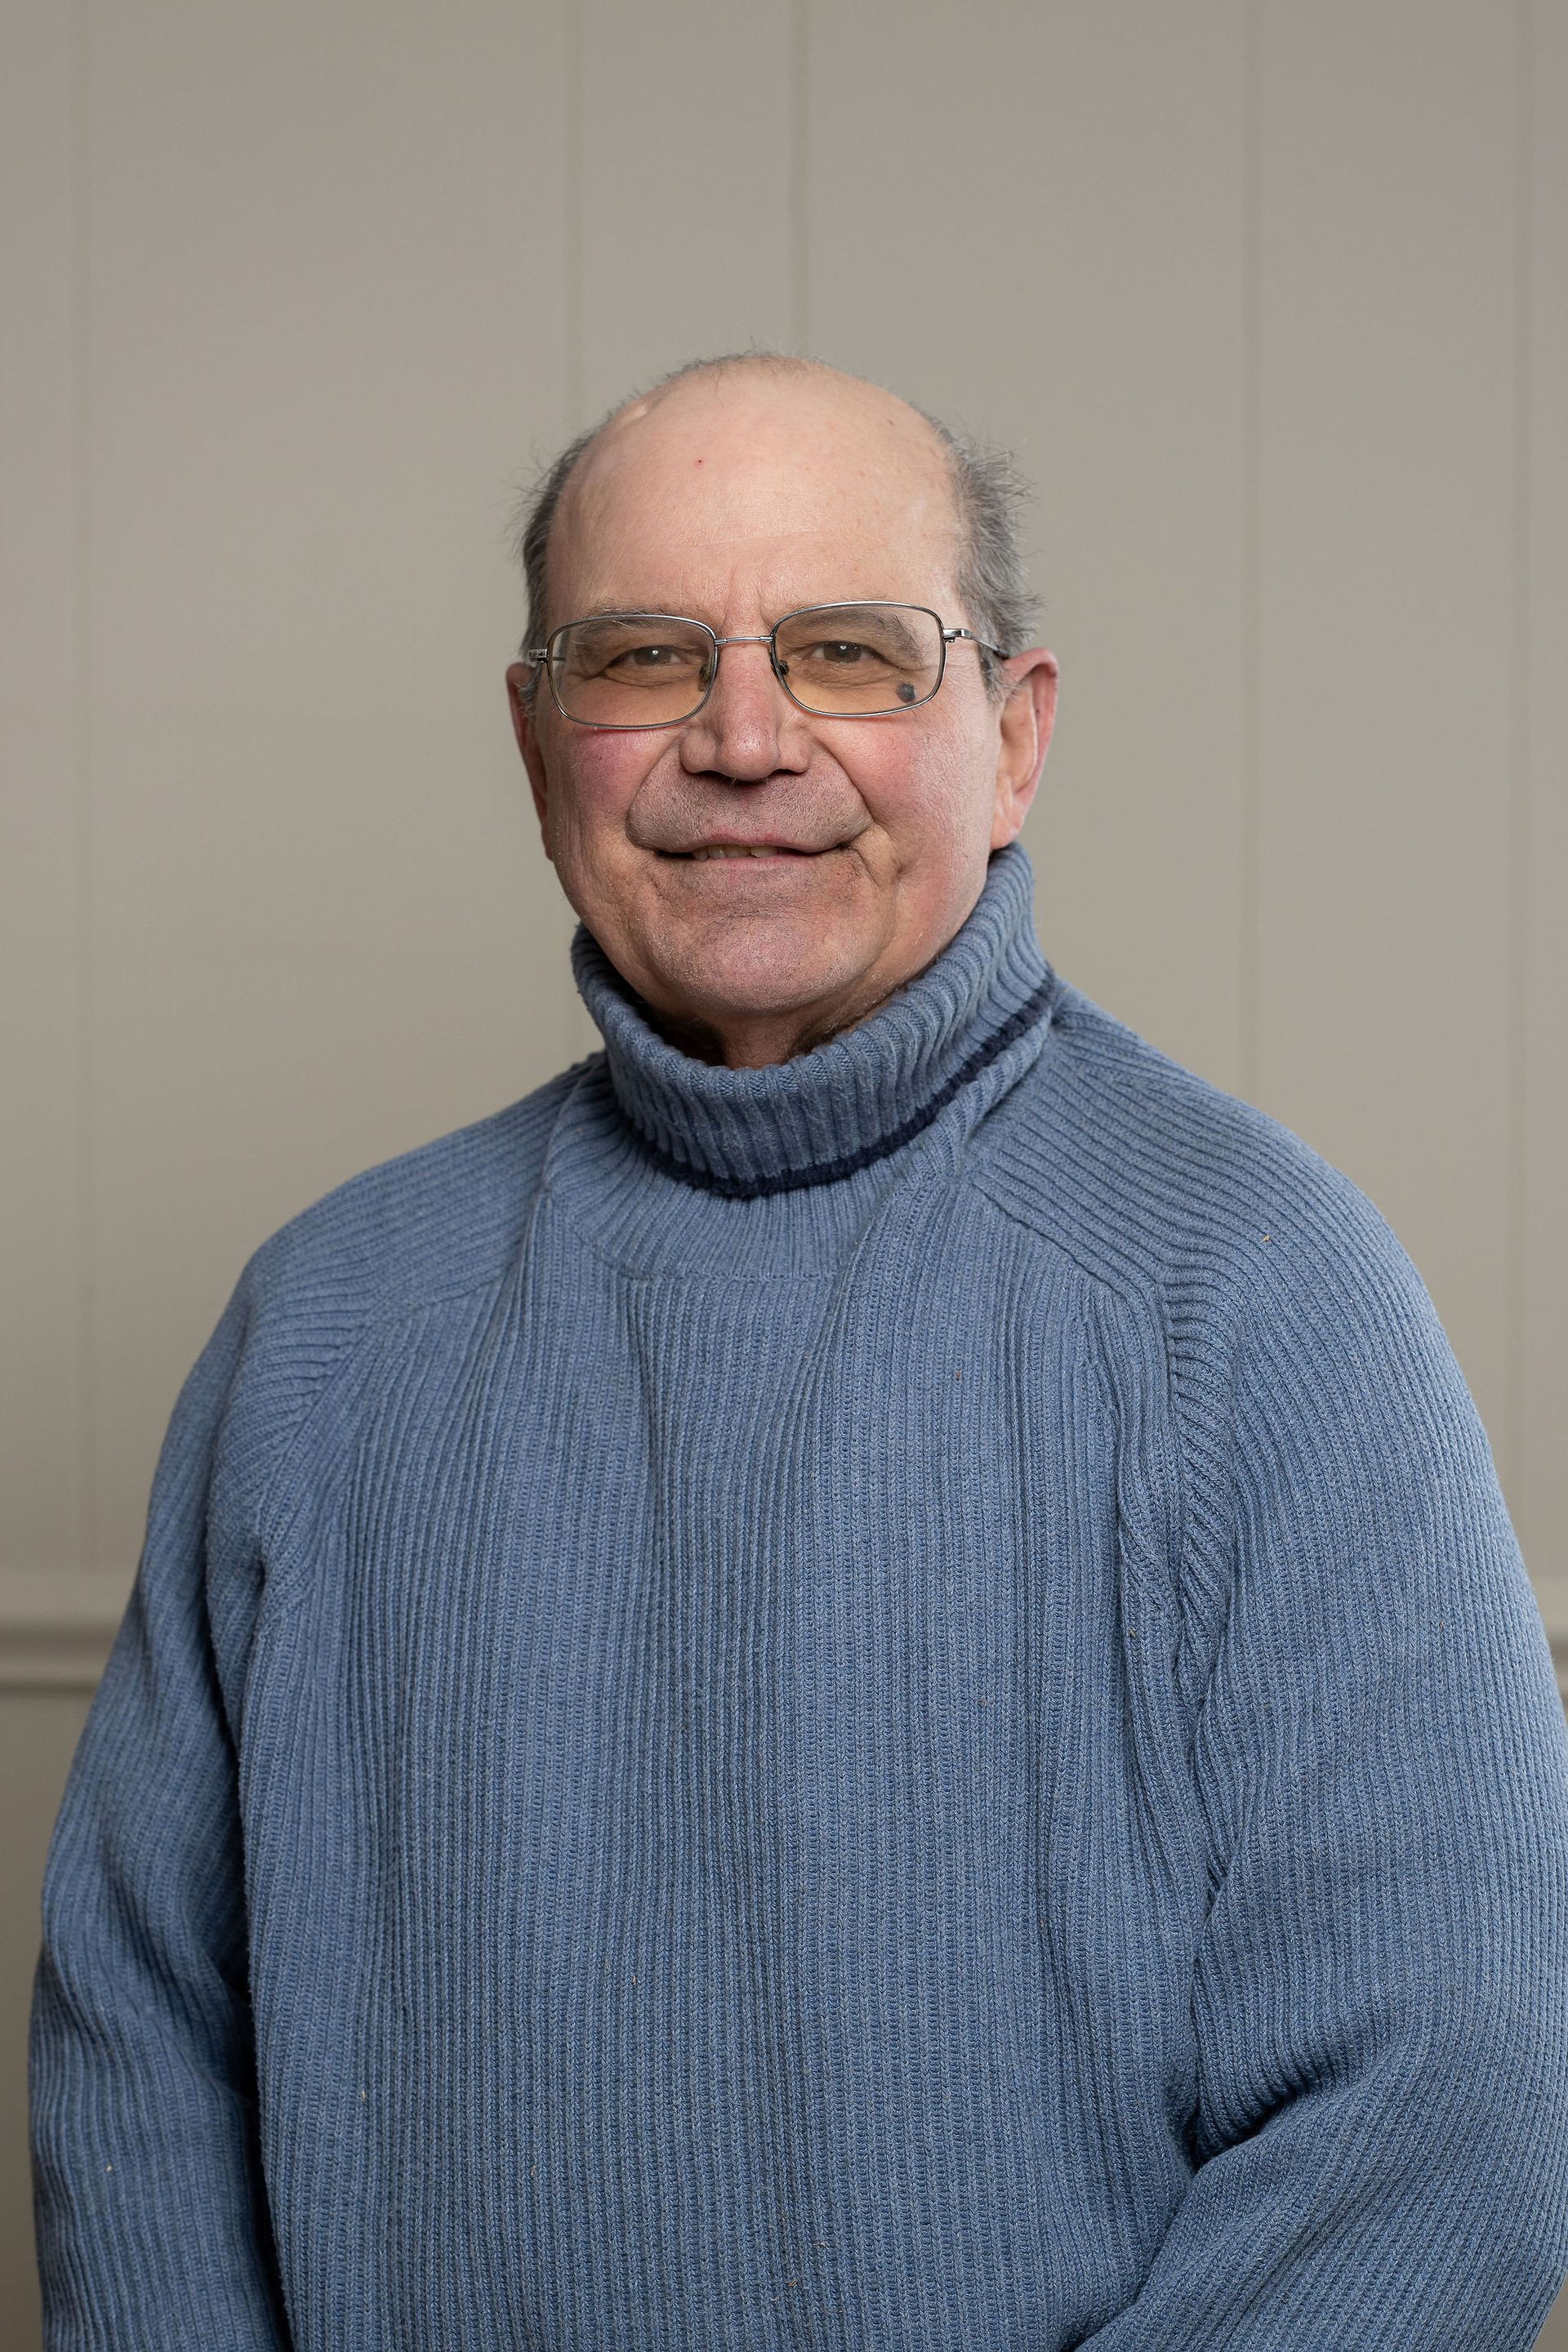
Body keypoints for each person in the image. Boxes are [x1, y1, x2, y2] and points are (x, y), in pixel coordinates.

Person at [29, 352, 1568, 2351]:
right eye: (644, 656)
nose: (743, 738)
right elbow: (137, 2057)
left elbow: (1449, 2125)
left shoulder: (1254, 1296)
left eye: (849, 652)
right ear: (535, 741)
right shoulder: (321, 1331)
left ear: (1014, 740)